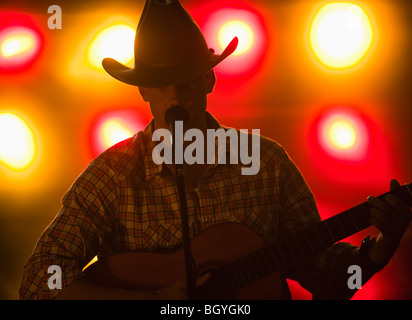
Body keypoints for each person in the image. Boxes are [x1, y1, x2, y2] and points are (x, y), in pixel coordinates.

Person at [19, 0, 411, 300]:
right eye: (161, 83)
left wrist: (380, 248)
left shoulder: (267, 165)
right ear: (142, 91)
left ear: (209, 79)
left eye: (186, 81)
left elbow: (327, 276)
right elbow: (40, 279)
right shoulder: (111, 176)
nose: (175, 96)